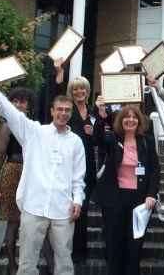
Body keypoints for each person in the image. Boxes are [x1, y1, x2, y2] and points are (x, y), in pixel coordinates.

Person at [0, 88, 86, 275]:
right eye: (60, 109)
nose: (63, 113)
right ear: (52, 111)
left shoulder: (76, 142)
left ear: (71, 113)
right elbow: (11, 113)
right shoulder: (34, 132)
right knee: (26, 264)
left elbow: (78, 178)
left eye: (67, 110)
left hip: (62, 211)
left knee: (65, 263)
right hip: (33, 207)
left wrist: (78, 200)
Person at [54, 59, 109, 262]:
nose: (79, 92)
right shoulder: (67, 110)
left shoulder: (94, 112)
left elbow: (100, 140)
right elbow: (56, 100)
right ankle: (63, 250)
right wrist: (59, 73)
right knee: (67, 208)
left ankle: (79, 253)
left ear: (87, 90)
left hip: (87, 165)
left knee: (83, 209)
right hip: (68, 164)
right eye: (75, 89)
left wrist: (96, 127)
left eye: (82, 89)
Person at [96, 103, 160, 275]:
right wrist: (101, 116)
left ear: (139, 121)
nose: (130, 120)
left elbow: (155, 170)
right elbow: (98, 139)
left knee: (134, 246)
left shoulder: (147, 141)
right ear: (120, 120)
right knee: (114, 244)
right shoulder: (113, 139)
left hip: (139, 201)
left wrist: (151, 194)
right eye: (126, 116)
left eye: (134, 117)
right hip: (114, 199)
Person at [0, 87, 37, 275]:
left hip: (31, 173)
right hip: (13, 171)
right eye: (14, 101)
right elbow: (1, 154)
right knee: (13, 222)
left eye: (22, 101)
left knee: (30, 221)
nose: (18, 104)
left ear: (28, 105)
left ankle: (21, 265)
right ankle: (11, 265)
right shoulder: (8, 125)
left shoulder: (31, 125)